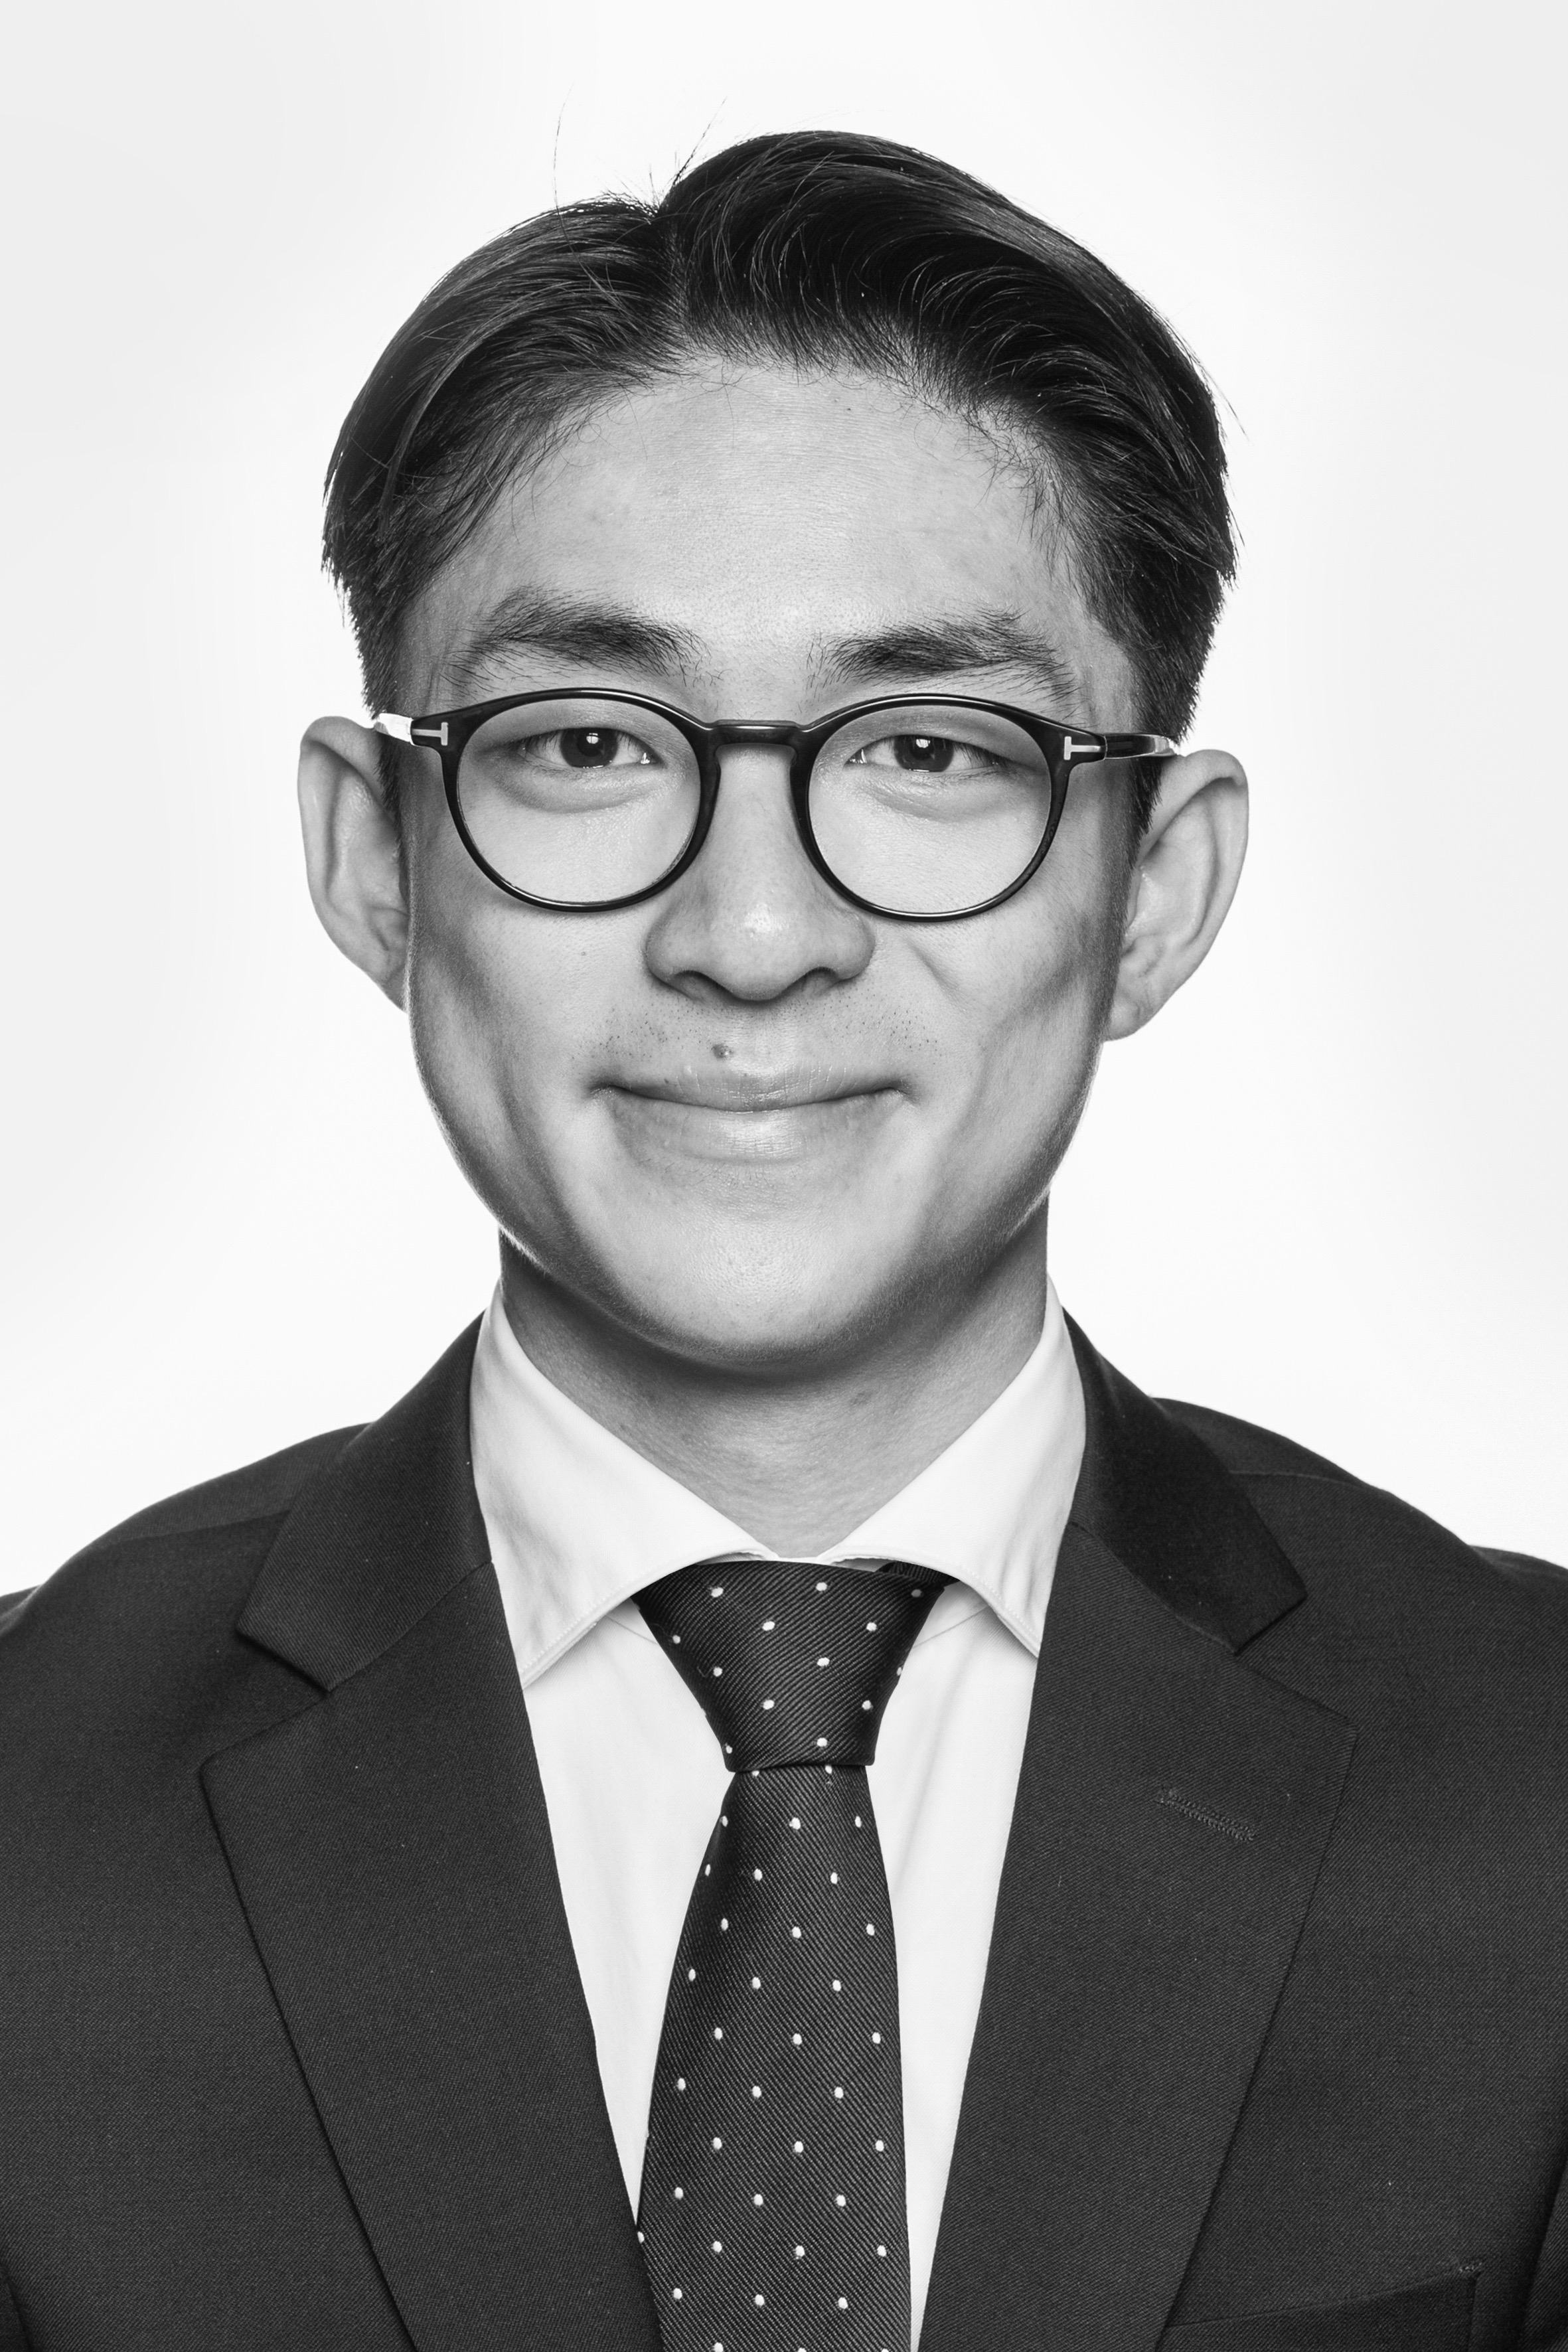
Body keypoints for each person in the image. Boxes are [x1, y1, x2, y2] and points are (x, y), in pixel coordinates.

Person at [1, 128, 1563, 2352]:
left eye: (928, 749)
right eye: (584, 743)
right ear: (374, 861)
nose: (751, 933)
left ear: (1156, 890)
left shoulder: (1533, 1792)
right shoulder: (27, 1818)